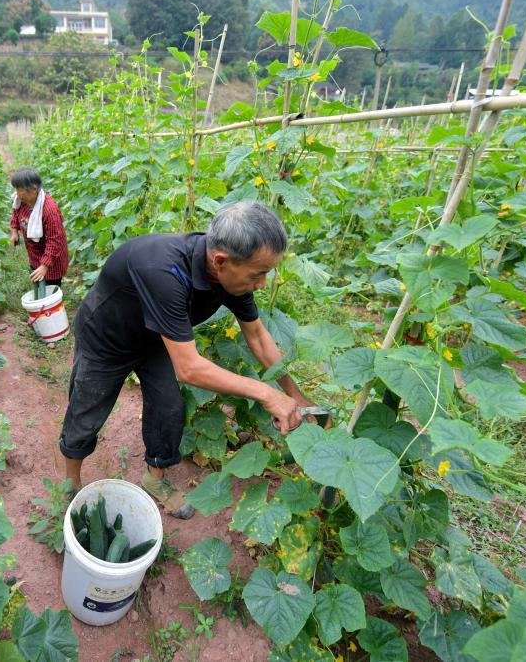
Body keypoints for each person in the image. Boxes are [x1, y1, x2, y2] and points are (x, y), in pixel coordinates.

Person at [60, 202, 327, 519]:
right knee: (87, 410)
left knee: (169, 406)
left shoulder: (231, 276)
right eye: (259, 274)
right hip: (107, 338)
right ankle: (71, 486)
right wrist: (268, 394)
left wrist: (293, 392)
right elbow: (189, 369)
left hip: (155, 338)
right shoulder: (162, 270)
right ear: (221, 261)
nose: (262, 284)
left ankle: (153, 479)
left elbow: (257, 337)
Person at [9, 167, 69, 288]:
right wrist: (14, 231)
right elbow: (15, 213)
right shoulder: (21, 200)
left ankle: (52, 305)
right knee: (37, 282)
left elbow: (54, 241)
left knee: (50, 289)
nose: (17, 193)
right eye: (16, 189)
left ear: (34, 189)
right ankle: (40, 300)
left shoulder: (48, 210)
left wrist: (45, 265)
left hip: (53, 259)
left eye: (20, 189)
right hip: (35, 253)